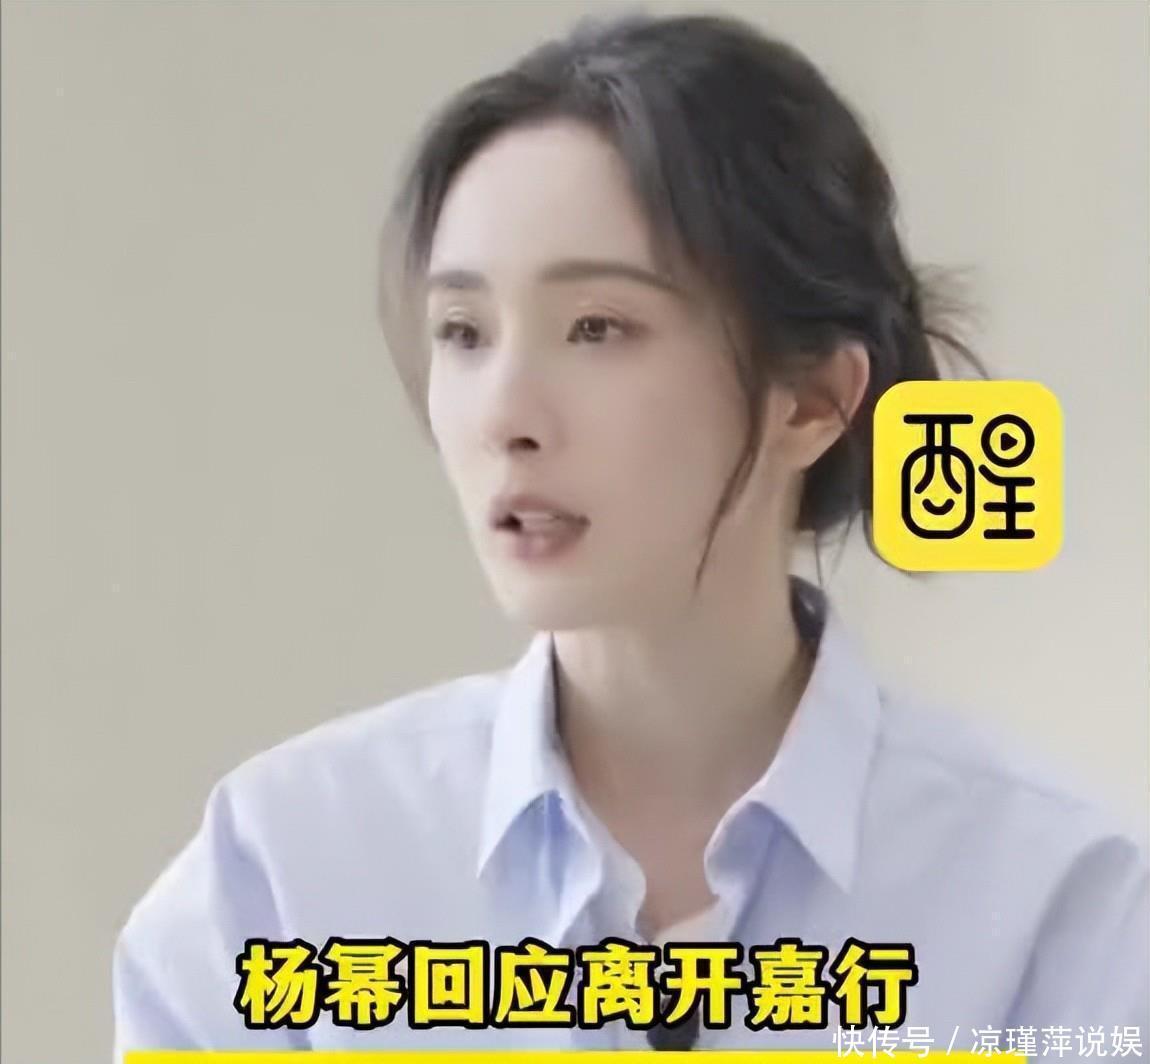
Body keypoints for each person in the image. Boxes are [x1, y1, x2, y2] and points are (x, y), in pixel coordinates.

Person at [113, 10, 1148, 1056]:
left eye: (596, 328)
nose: (505, 414)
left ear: (812, 400)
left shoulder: (1052, 902)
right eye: (462, 332)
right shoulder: (282, 875)